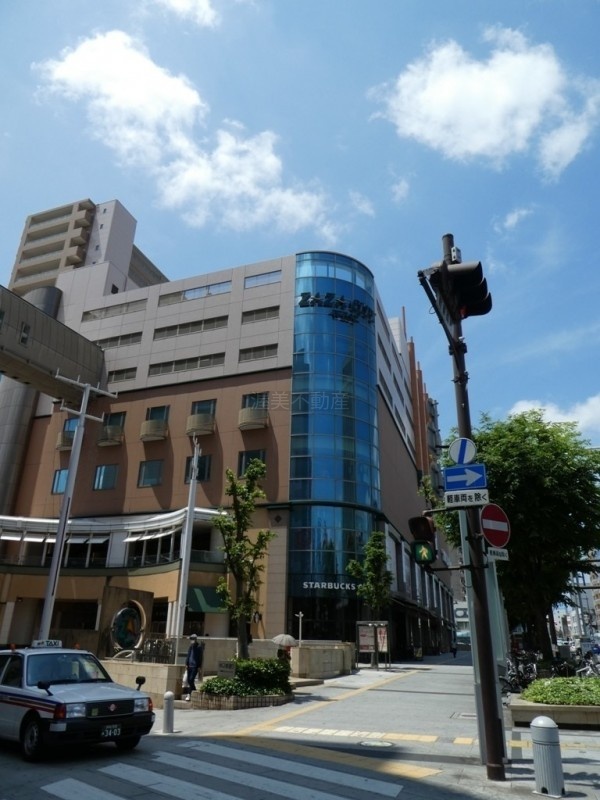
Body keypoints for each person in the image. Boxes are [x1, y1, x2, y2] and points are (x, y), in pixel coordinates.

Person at [184, 634, 204, 701]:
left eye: (192, 639)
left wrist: (199, 666)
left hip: (195, 666)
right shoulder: (191, 647)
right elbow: (188, 655)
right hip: (189, 665)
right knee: (189, 680)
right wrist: (186, 663)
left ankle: (189, 694)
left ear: (195, 639)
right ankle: (194, 690)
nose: (191, 640)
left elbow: (200, 657)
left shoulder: (199, 647)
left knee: (191, 679)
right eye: (191, 639)